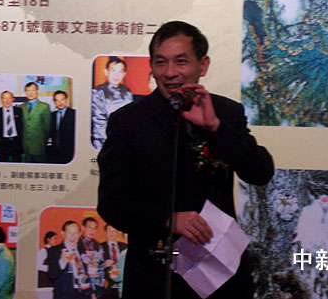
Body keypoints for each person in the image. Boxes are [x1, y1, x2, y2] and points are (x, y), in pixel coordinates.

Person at [97, 21, 274, 299]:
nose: (170, 73)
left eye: (181, 62)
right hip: (153, 275)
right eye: (161, 62)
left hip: (219, 272)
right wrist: (168, 220)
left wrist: (216, 127)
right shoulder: (128, 122)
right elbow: (112, 203)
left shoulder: (225, 112)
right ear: (152, 66)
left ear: (203, 65)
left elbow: (260, 172)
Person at [91, 57, 133, 150]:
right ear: (106, 72)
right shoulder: (97, 92)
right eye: (113, 70)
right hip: (103, 142)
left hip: (125, 141)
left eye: (120, 71)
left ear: (124, 74)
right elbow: (99, 121)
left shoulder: (127, 92)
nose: (116, 75)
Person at [48, 220, 85, 299]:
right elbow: (52, 275)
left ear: (79, 234)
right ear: (63, 233)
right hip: (64, 295)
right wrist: (62, 262)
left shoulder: (83, 249)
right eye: (70, 232)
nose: (73, 236)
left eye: (76, 232)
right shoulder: (54, 250)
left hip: (83, 293)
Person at [20, 82, 51, 163]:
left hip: (39, 145)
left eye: (33, 90)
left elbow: (47, 128)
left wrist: (43, 142)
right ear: (25, 92)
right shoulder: (21, 107)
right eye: (28, 91)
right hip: (25, 146)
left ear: (37, 91)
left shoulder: (44, 106)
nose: (30, 93)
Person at [77, 218, 105, 299]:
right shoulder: (77, 244)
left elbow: (101, 266)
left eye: (95, 228)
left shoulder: (98, 245)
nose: (92, 231)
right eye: (90, 227)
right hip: (81, 287)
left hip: (96, 285)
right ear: (82, 228)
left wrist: (99, 288)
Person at [0, 91, 23, 162]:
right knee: (3, 164)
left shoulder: (19, 111)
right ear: (1, 100)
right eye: (5, 98)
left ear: (13, 99)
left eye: (9, 98)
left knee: (17, 163)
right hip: (3, 143)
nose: (7, 101)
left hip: (16, 142)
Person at [48, 90, 76, 164]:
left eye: (62, 99)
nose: (60, 102)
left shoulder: (74, 114)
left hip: (69, 151)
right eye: (57, 100)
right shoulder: (52, 115)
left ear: (66, 100)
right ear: (54, 102)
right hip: (55, 151)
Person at [101, 225, 127, 299]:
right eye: (109, 231)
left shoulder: (125, 246)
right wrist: (104, 264)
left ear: (118, 232)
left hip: (122, 283)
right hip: (107, 285)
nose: (112, 233)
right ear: (105, 233)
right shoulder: (100, 247)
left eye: (114, 230)